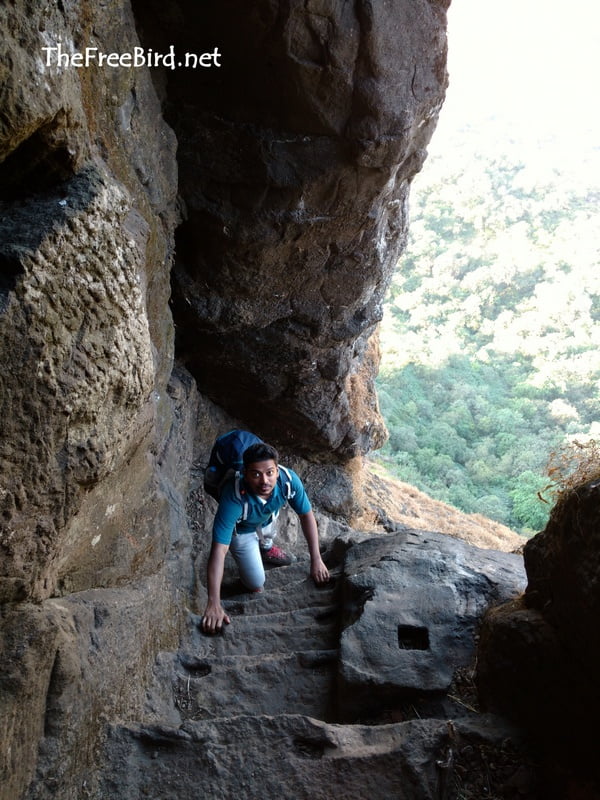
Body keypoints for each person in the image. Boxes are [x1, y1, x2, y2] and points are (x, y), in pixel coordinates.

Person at [201, 442, 330, 634]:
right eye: (256, 474)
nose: (264, 481)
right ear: (244, 473)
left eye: (270, 473)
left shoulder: (288, 481)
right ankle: (257, 552)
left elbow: (306, 515)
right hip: (243, 530)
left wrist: (317, 559)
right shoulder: (233, 498)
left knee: (269, 528)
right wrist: (213, 602)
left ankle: (266, 548)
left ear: (277, 471)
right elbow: (219, 549)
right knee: (256, 583)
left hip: (267, 517)